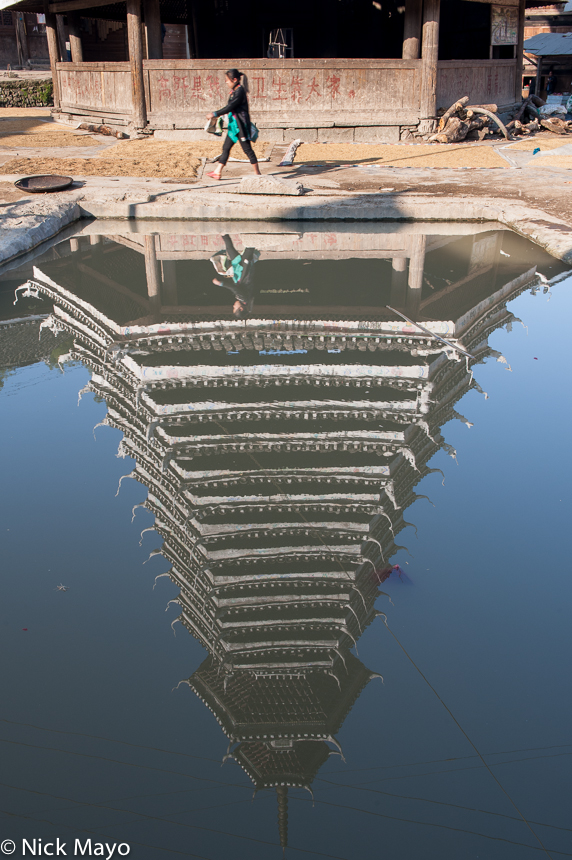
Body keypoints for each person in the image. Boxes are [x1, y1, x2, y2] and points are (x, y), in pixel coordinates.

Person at [205, 69, 261, 180]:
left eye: (227, 80)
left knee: (247, 149)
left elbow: (230, 107)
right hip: (233, 125)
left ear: (234, 80)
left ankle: (258, 173)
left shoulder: (240, 92)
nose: (226, 82)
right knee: (226, 147)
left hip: (240, 126)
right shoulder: (234, 91)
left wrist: (215, 113)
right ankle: (218, 171)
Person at [210, 234, 260, 318]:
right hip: (245, 269)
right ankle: (255, 232)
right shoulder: (244, 298)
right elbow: (234, 288)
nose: (233, 305)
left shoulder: (244, 300)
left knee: (230, 249)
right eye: (234, 308)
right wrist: (220, 283)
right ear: (241, 308)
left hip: (238, 270)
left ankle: (224, 233)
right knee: (249, 248)